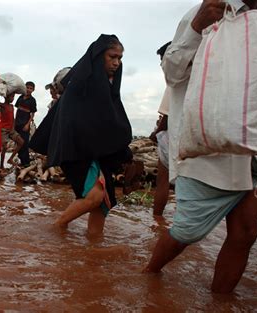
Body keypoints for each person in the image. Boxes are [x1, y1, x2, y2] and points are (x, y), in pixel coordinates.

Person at [145, 0, 257, 293]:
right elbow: (172, 75)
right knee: (187, 232)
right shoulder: (205, 12)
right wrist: (196, 29)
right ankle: (148, 275)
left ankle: (220, 302)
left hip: (255, 150)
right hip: (206, 152)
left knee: (245, 232)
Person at [47, 34, 134, 235]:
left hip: (95, 151)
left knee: (104, 204)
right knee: (94, 196)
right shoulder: (81, 84)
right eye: (112, 57)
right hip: (75, 149)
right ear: (99, 56)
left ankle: (93, 252)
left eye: (120, 58)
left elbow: (110, 122)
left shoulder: (108, 87)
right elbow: (75, 123)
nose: (116, 63)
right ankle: (55, 230)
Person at [150, 42, 171, 216]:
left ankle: (157, 218)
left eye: (162, 59)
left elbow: (167, 117)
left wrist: (154, 135)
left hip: (173, 139)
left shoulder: (175, 82)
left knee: (162, 181)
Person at [14, 81, 37, 167]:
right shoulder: (20, 98)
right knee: (18, 143)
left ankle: (26, 162)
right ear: (24, 87)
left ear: (33, 90)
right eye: (27, 87)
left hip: (25, 125)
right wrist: (14, 122)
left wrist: (27, 125)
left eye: (31, 88)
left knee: (24, 143)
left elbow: (32, 114)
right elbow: (17, 110)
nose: (29, 89)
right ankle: (21, 160)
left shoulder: (32, 100)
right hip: (17, 124)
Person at [0, 93, 23, 170]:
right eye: (11, 96)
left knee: (21, 142)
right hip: (4, 130)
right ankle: (1, 166)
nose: (12, 98)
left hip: (11, 129)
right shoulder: (2, 105)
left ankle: (10, 159)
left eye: (13, 97)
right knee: (4, 147)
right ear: (6, 97)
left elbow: (12, 118)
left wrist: (13, 127)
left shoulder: (12, 106)